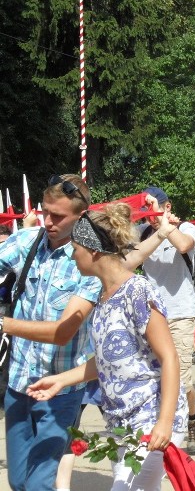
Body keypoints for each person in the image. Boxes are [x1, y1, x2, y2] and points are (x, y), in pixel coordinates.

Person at [27, 204, 187, 491]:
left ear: (94, 250)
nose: (72, 255)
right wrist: (60, 380)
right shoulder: (103, 296)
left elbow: (169, 358)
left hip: (152, 420)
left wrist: (163, 423)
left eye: (75, 248)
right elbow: (107, 360)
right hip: (121, 423)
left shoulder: (137, 291)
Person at [0, 175, 101, 491]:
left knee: (39, 484)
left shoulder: (91, 260)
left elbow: (63, 332)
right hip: (17, 383)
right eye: (45, 212)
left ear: (80, 216)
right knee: (18, 481)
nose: (48, 222)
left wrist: (3, 324)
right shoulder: (27, 241)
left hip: (60, 392)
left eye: (58, 216)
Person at [137, 187, 195, 455]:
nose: (149, 215)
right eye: (145, 209)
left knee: (182, 379)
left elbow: (184, 245)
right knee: (154, 375)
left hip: (181, 311)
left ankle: (192, 418)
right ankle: (164, 426)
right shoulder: (141, 232)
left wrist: (165, 225)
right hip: (152, 313)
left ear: (166, 206)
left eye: (153, 207)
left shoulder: (186, 227)